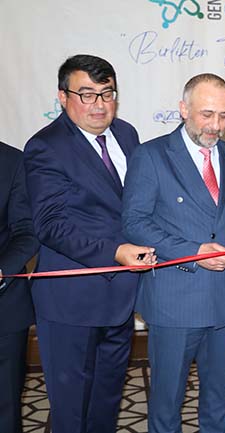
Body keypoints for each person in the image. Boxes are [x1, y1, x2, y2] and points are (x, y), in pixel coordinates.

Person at [122, 73, 225, 433]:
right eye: (207, 114)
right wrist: (194, 252)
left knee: (218, 398)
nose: (215, 125)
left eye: (224, 115)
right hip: (175, 301)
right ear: (183, 109)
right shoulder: (151, 155)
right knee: (167, 402)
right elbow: (135, 223)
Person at [23, 54, 155, 433]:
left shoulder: (127, 134)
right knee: (71, 410)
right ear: (63, 97)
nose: (99, 104)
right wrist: (114, 252)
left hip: (121, 299)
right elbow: (51, 225)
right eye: (87, 94)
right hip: (72, 302)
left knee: (106, 401)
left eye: (107, 93)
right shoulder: (45, 146)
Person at [0, 142, 39, 433]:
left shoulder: (12, 161)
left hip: (4, 307)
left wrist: (3, 269)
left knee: (5, 406)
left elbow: (27, 230)